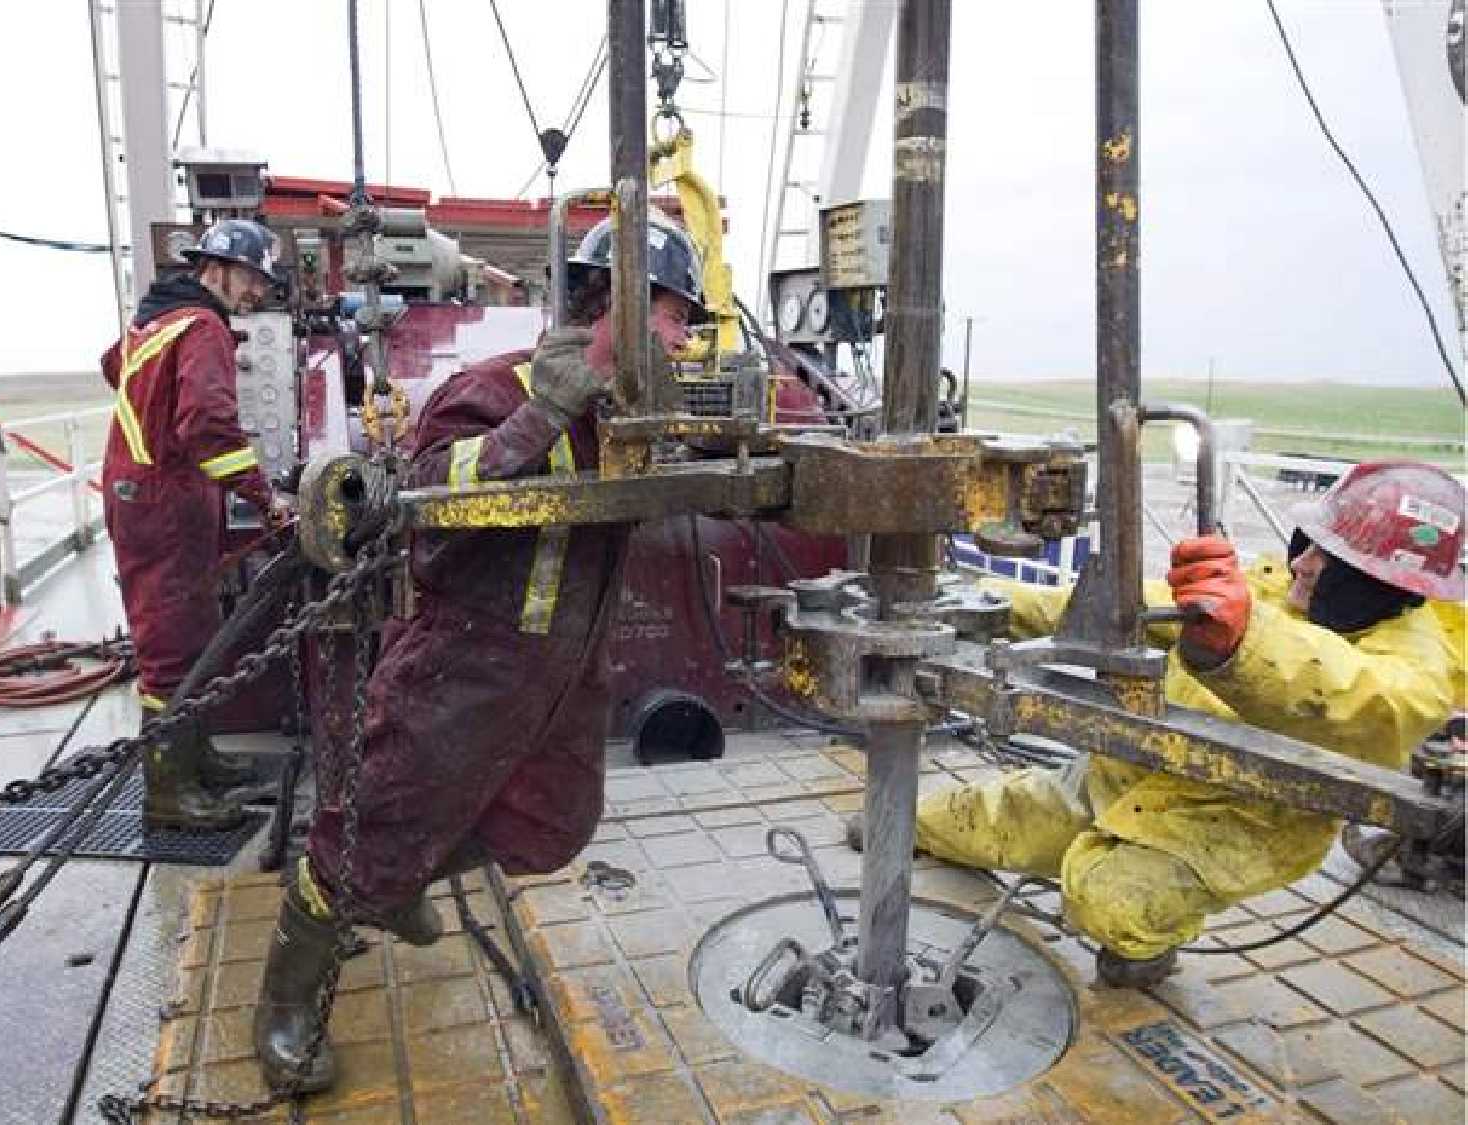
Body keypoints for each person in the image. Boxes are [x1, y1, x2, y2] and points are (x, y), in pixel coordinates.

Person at [253, 215, 706, 1093]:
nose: (684, 337)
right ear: (612, 303)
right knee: (365, 840)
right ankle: (286, 1005)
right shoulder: (496, 390)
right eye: (673, 314)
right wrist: (544, 415)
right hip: (464, 669)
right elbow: (423, 491)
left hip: (568, 675)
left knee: (555, 822)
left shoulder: (624, 422)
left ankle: (399, 875)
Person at [850, 460, 1462, 987]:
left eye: (1332, 561)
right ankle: (970, 834)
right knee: (937, 822)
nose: (1302, 563)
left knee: (1108, 897)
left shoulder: (1415, 671)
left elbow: (1349, 695)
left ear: (1384, 588)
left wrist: (1240, 640)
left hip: (1234, 823)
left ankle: (1147, 951)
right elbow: (1125, 611)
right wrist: (984, 604)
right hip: (1123, 780)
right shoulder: (1271, 591)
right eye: (1308, 543)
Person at [99, 218, 287, 832]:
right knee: (171, 648)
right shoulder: (204, 326)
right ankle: (168, 793)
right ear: (219, 270)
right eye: (253, 279)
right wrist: (265, 497)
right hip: (165, 502)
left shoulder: (153, 322)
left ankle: (196, 759)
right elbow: (208, 427)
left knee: (189, 634)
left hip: (146, 491)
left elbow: (111, 366)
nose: (258, 293)